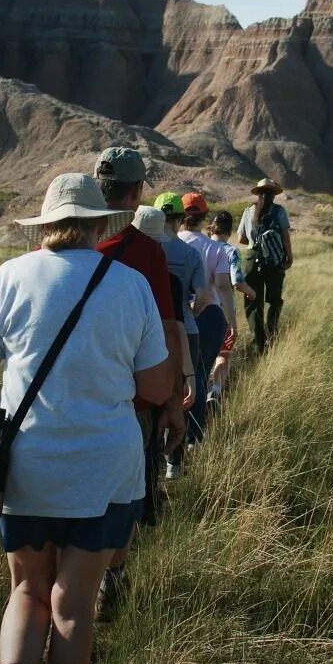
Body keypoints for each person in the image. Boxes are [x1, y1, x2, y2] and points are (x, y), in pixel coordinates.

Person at [0, 173, 170, 664]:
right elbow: (156, 389)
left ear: (47, 224)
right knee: (73, 607)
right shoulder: (132, 286)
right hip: (105, 467)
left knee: (28, 593)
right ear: (99, 225)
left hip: (30, 465)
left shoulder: (12, 275)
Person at [91, 147, 188, 619]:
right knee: (124, 491)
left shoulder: (57, 242)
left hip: (61, 398)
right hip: (131, 400)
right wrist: (173, 399)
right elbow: (168, 330)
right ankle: (110, 575)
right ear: (137, 192)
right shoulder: (147, 252)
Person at [151, 193, 213, 477]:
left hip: (150, 330)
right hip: (185, 329)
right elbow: (202, 296)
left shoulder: (148, 249)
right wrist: (190, 314)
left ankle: (149, 456)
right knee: (182, 395)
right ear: (179, 219)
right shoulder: (190, 255)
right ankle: (173, 463)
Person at [177, 193, 234, 437]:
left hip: (174, 317)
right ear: (204, 217)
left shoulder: (171, 243)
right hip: (209, 315)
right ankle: (194, 435)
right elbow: (222, 286)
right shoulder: (215, 248)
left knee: (175, 376)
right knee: (200, 374)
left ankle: (171, 436)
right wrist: (232, 321)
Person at [236, 178, 293, 354]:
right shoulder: (279, 211)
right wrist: (289, 258)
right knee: (275, 301)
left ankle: (257, 344)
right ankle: (272, 337)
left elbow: (241, 239)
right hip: (274, 261)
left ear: (258, 194)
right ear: (273, 195)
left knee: (253, 302)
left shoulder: (248, 211)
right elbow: (285, 237)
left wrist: (255, 240)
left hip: (251, 259)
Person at [207, 210, 256, 396]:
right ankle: (216, 391)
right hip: (222, 312)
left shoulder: (200, 247)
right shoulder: (230, 251)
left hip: (198, 309)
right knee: (223, 355)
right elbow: (237, 282)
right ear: (230, 231)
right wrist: (250, 292)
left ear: (211, 228)